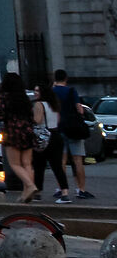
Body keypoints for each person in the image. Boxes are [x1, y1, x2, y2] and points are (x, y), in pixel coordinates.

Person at [50, 68, 94, 202]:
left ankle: (61, 189)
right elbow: (80, 109)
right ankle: (81, 189)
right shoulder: (71, 91)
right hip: (73, 129)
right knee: (77, 160)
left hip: (58, 129)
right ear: (66, 78)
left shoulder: (52, 92)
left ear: (54, 78)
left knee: (61, 161)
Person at [0, 66, 38, 201]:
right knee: (27, 163)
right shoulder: (24, 98)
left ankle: (30, 186)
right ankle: (26, 193)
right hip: (27, 131)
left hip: (13, 131)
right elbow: (32, 117)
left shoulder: (5, 97)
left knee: (15, 164)